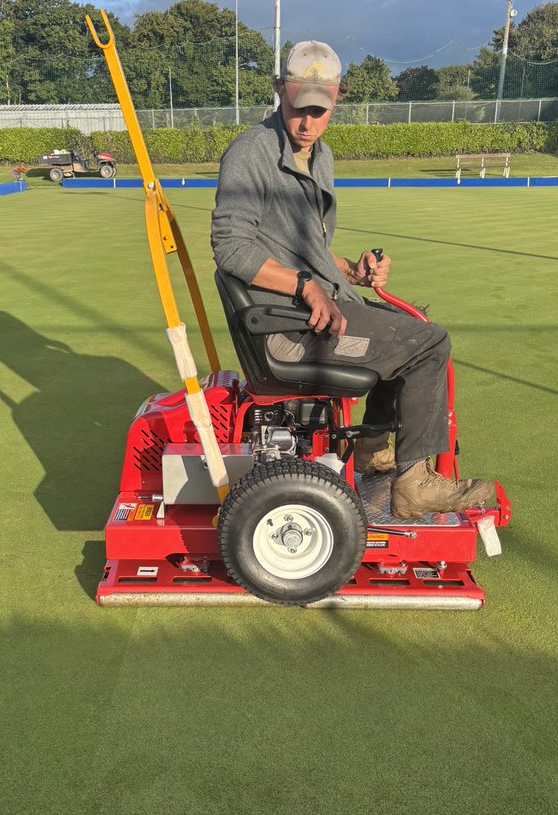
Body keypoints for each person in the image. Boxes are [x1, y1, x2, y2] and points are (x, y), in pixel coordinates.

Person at [211, 40, 496, 519]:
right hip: (288, 329)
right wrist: (307, 286)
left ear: (336, 99)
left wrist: (352, 272)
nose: (307, 122)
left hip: (314, 312)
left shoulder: (318, 156)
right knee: (429, 342)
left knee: (414, 326)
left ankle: (370, 448)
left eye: (318, 111)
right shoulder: (251, 154)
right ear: (281, 91)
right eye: (298, 108)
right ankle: (413, 483)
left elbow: (308, 249)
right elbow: (231, 246)